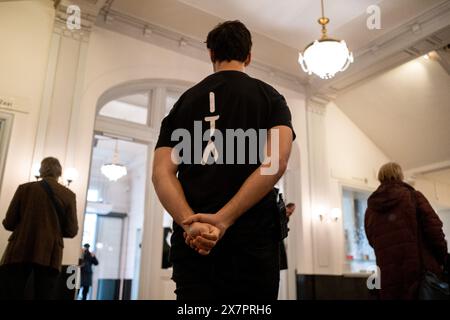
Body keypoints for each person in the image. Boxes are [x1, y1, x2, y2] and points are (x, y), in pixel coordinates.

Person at [152, 20, 295, 300]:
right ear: (249, 56)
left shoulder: (183, 103)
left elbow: (161, 174)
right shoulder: (271, 98)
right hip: (253, 244)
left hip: (193, 245)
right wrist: (223, 220)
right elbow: (276, 162)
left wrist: (190, 224)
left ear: (211, 55)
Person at [365, 162, 448, 299]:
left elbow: (372, 241)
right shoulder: (413, 197)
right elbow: (435, 231)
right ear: (400, 175)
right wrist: (442, 259)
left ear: (380, 178)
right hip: (419, 276)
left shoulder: (371, 210)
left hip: (389, 278)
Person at [0, 157, 78, 300]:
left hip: (19, 251)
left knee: (11, 294)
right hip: (50, 254)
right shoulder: (69, 195)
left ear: (41, 170)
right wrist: (54, 230)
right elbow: (72, 230)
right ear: (59, 173)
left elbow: (8, 223)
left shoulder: (24, 189)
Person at [280, 203, 296, 270]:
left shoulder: (287, 218)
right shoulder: (281, 211)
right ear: (287, 207)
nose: (292, 211)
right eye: (292, 209)